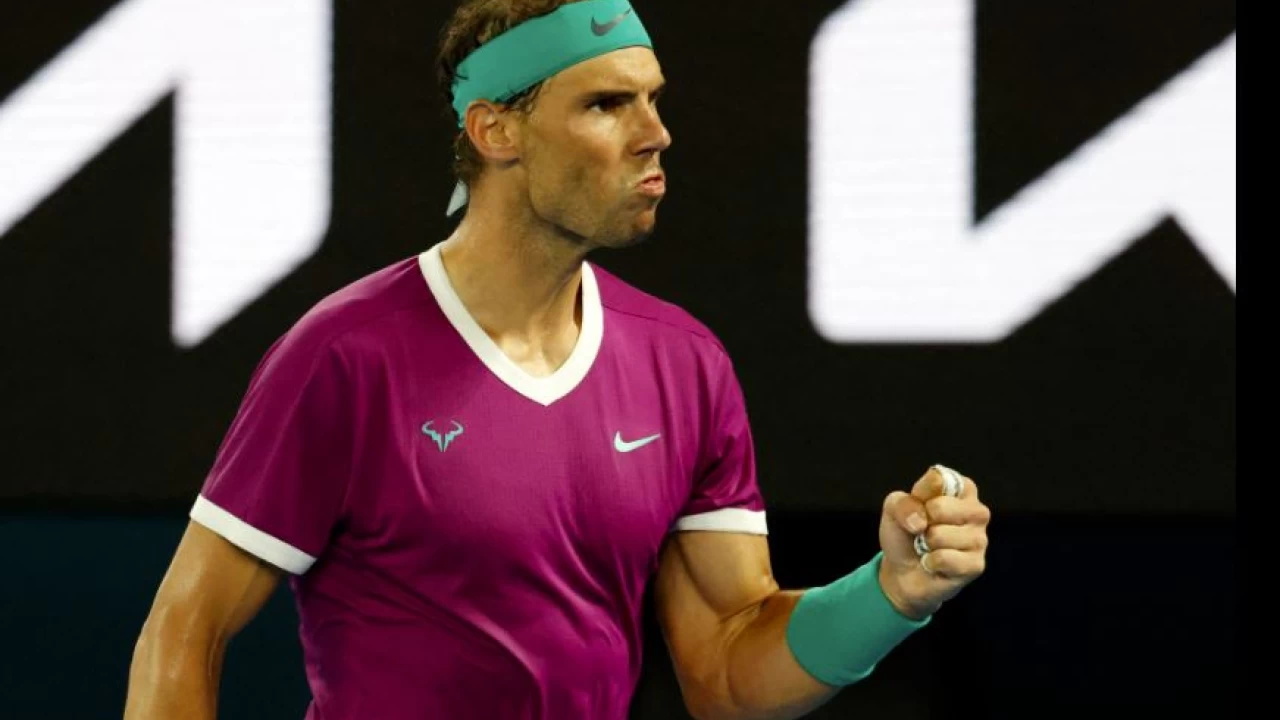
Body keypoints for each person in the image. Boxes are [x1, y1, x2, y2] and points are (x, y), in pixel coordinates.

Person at [124, 1, 991, 718]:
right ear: (497, 129)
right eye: (607, 105)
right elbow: (184, 631)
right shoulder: (343, 356)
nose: (657, 134)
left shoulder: (686, 366)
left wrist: (891, 594)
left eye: (654, 100)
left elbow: (728, 667)